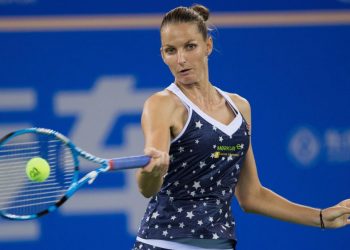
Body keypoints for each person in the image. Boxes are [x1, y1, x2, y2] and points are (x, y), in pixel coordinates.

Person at [133, 4, 350, 250]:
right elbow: (147, 188)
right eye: (171, 50)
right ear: (163, 54)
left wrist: (320, 217)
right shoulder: (161, 105)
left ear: (208, 46)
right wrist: (152, 171)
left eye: (190, 46)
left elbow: (251, 196)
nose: (181, 59)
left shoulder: (239, 107)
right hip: (164, 244)